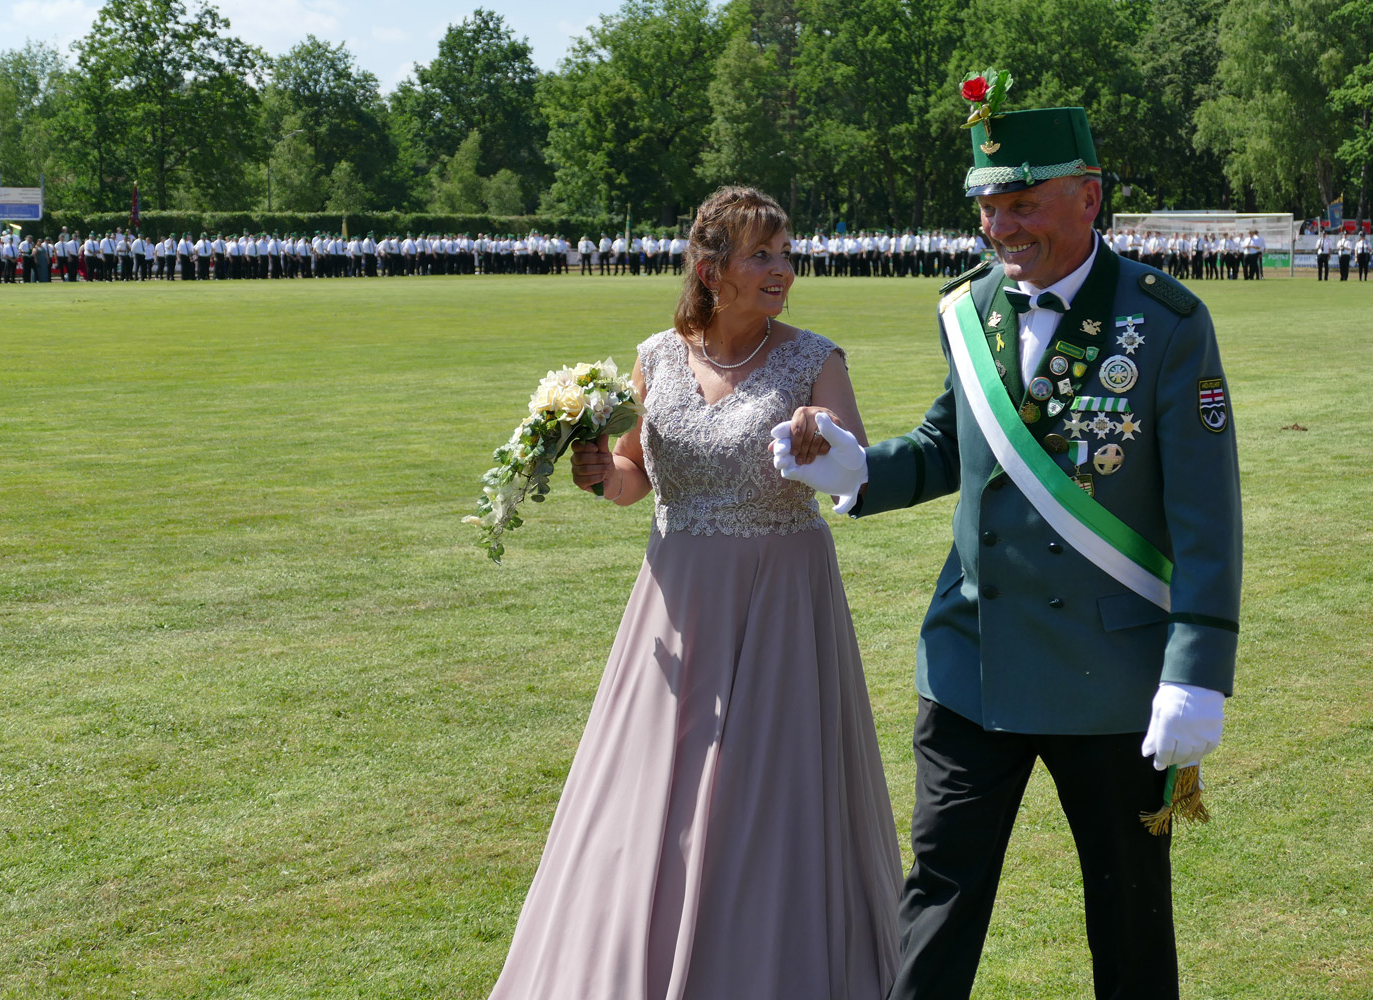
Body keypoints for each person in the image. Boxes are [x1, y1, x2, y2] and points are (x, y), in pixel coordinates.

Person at [776, 97, 1241, 1000]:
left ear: (1088, 197)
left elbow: (1206, 517)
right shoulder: (969, 307)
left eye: (1023, 202)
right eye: (988, 206)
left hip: (1110, 674)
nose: (1001, 226)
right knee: (939, 895)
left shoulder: (1166, 322)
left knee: (1129, 909)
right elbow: (951, 443)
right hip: (972, 660)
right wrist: (858, 469)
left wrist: (1198, 671)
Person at [488, 186, 902, 1000]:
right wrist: (600, 472)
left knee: (768, 791)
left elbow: (854, 472)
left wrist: (823, 440)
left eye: (786, 253)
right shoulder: (656, 357)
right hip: (675, 602)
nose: (782, 270)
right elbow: (635, 477)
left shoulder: (815, 360)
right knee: (652, 790)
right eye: (762, 255)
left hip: (782, 604)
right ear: (711, 271)